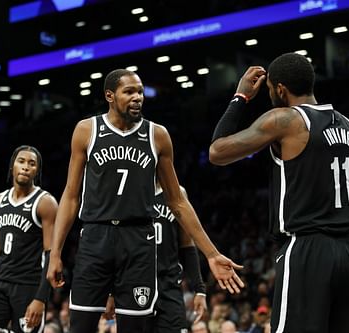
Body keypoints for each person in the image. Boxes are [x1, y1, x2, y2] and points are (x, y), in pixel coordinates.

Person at [47, 68, 244, 333]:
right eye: (129, 92)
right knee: (80, 326)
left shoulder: (158, 135)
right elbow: (71, 195)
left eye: (140, 91)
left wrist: (212, 253)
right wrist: (56, 253)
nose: (137, 97)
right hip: (95, 236)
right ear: (110, 96)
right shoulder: (86, 130)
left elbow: (178, 201)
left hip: (138, 240)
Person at [209, 52, 349, 333]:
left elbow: (217, 152)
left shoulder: (285, 120)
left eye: (269, 90)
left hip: (306, 248)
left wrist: (240, 97)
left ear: (280, 89)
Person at [0, 145, 58, 333]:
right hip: (0, 283)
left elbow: (51, 254)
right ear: (12, 166)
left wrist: (41, 298)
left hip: (28, 288)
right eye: (21, 161)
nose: (25, 167)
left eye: (32, 164)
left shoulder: (45, 203)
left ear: (37, 171)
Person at [152, 182, 208, 332]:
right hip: (137, 282)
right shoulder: (132, 191)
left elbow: (187, 245)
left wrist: (199, 289)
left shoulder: (178, 192)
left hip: (169, 285)